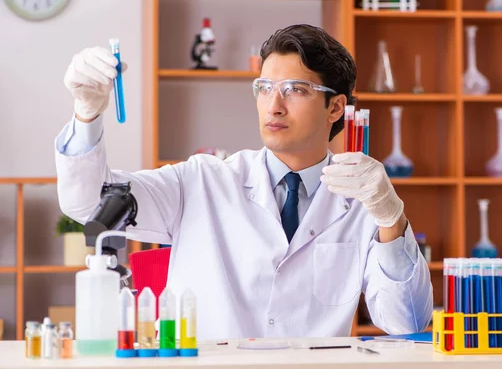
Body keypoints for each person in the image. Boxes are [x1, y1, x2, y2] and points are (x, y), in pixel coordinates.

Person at [55, 24, 433, 339]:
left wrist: (390, 218)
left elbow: (408, 323)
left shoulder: (363, 199)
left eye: (295, 90)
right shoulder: (201, 181)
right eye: (265, 88)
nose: (274, 105)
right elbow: (90, 204)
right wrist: (86, 116)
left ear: (336, 107)